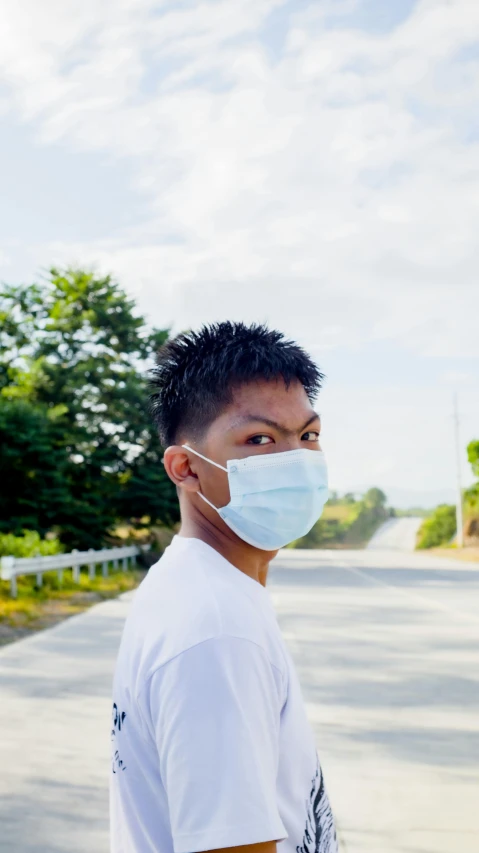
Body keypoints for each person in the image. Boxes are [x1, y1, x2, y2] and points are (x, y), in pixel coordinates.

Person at [110, 322, 338, 853]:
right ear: (186, 468)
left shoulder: (198, 586)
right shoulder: (216, 632)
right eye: (259, 439)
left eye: (307, 435)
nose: (296, 460)